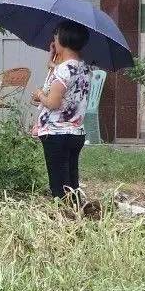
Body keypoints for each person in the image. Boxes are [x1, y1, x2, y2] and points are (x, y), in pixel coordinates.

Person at [31, 21, 93, 201]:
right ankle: (77, 213)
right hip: (75, 132)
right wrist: (53, 60)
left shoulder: (63, 70)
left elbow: (53, 102)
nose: (54, 40)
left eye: (56, 36)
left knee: (59, 185)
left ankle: (66, 218)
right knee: (71, 180)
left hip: (57, 133)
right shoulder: (83, 67)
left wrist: (40, 95)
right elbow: (63, 78)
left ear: (63, 39)